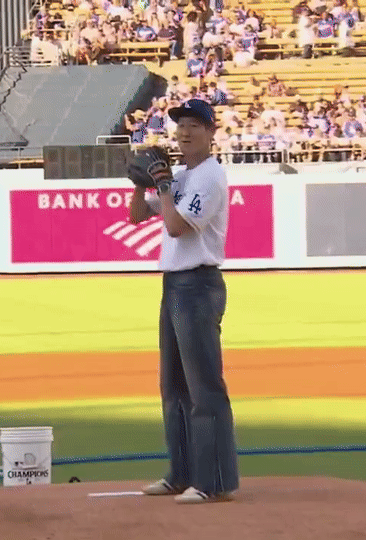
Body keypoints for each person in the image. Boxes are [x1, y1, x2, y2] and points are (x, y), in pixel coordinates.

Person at [130, 99, 239, 504]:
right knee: (174, 385)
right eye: (181, 125)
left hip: (198, 283)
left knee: (203, 386)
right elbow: (136, 217)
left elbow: (176, 227)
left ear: (211, 133)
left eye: (195, 124)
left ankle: (213, 481)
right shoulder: (183, 176)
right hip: (175, 283)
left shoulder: (209, 177)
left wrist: (162, 184)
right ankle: (181, 473)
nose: (185, 132)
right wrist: (140, 183)